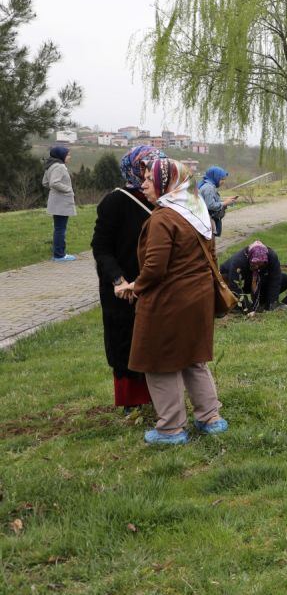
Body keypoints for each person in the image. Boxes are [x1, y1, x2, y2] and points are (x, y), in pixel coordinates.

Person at [118, 158, 227, 445]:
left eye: (150, 180)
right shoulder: (197, 212)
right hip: (198, 298)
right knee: (193, 359)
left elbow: (155, 268)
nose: (143, 184)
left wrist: (134, 287)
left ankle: (170, 429)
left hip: (169, 302)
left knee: (159, 363)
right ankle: (210, 417)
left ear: (167, 184)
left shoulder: (163, 218)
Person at [91, 145, 165, 414]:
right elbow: (101, 247)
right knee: (125, 340)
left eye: (155, 169)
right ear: (135, 169)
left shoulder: (166, 201)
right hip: (122, 287)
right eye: (146, 169)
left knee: (156, 340)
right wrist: (117, 279)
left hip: (155, 284)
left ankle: (161, 397)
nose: (150, 175)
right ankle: (131, 401)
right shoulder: (116, 201)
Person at [220, 240, 287, 313]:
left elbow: (275, 279)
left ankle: (263, 302)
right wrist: (246, 307)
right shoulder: (239, 261)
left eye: (260, 264)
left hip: (256, 279)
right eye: (254, 264)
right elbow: (234, 285)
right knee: (227, 283)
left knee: (285, 279)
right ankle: (236, 306)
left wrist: (272, 303)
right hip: (236, 282)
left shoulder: (272, 257)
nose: (256, 266)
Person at [43, 146, 77, 261]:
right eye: (68, 154)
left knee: (59, 228)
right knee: (60, 229)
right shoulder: (60, 167)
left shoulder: (50, 166)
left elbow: (45, 182)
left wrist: (55, 191)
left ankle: (58, 254)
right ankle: (59, 255)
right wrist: (68, 189)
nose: (70, 157)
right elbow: (54, 183)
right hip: (61, 203)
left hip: (56, 201)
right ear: (61, 156)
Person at [198, 166, 238, 237]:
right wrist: (225, 203)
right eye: (222, 179)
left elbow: (211, 201)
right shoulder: (209, 187)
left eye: (224, 179)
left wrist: (227, 201)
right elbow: (210, 205)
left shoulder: (209, 186)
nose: (223, 182)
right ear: (215, 177)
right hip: (208, 221)